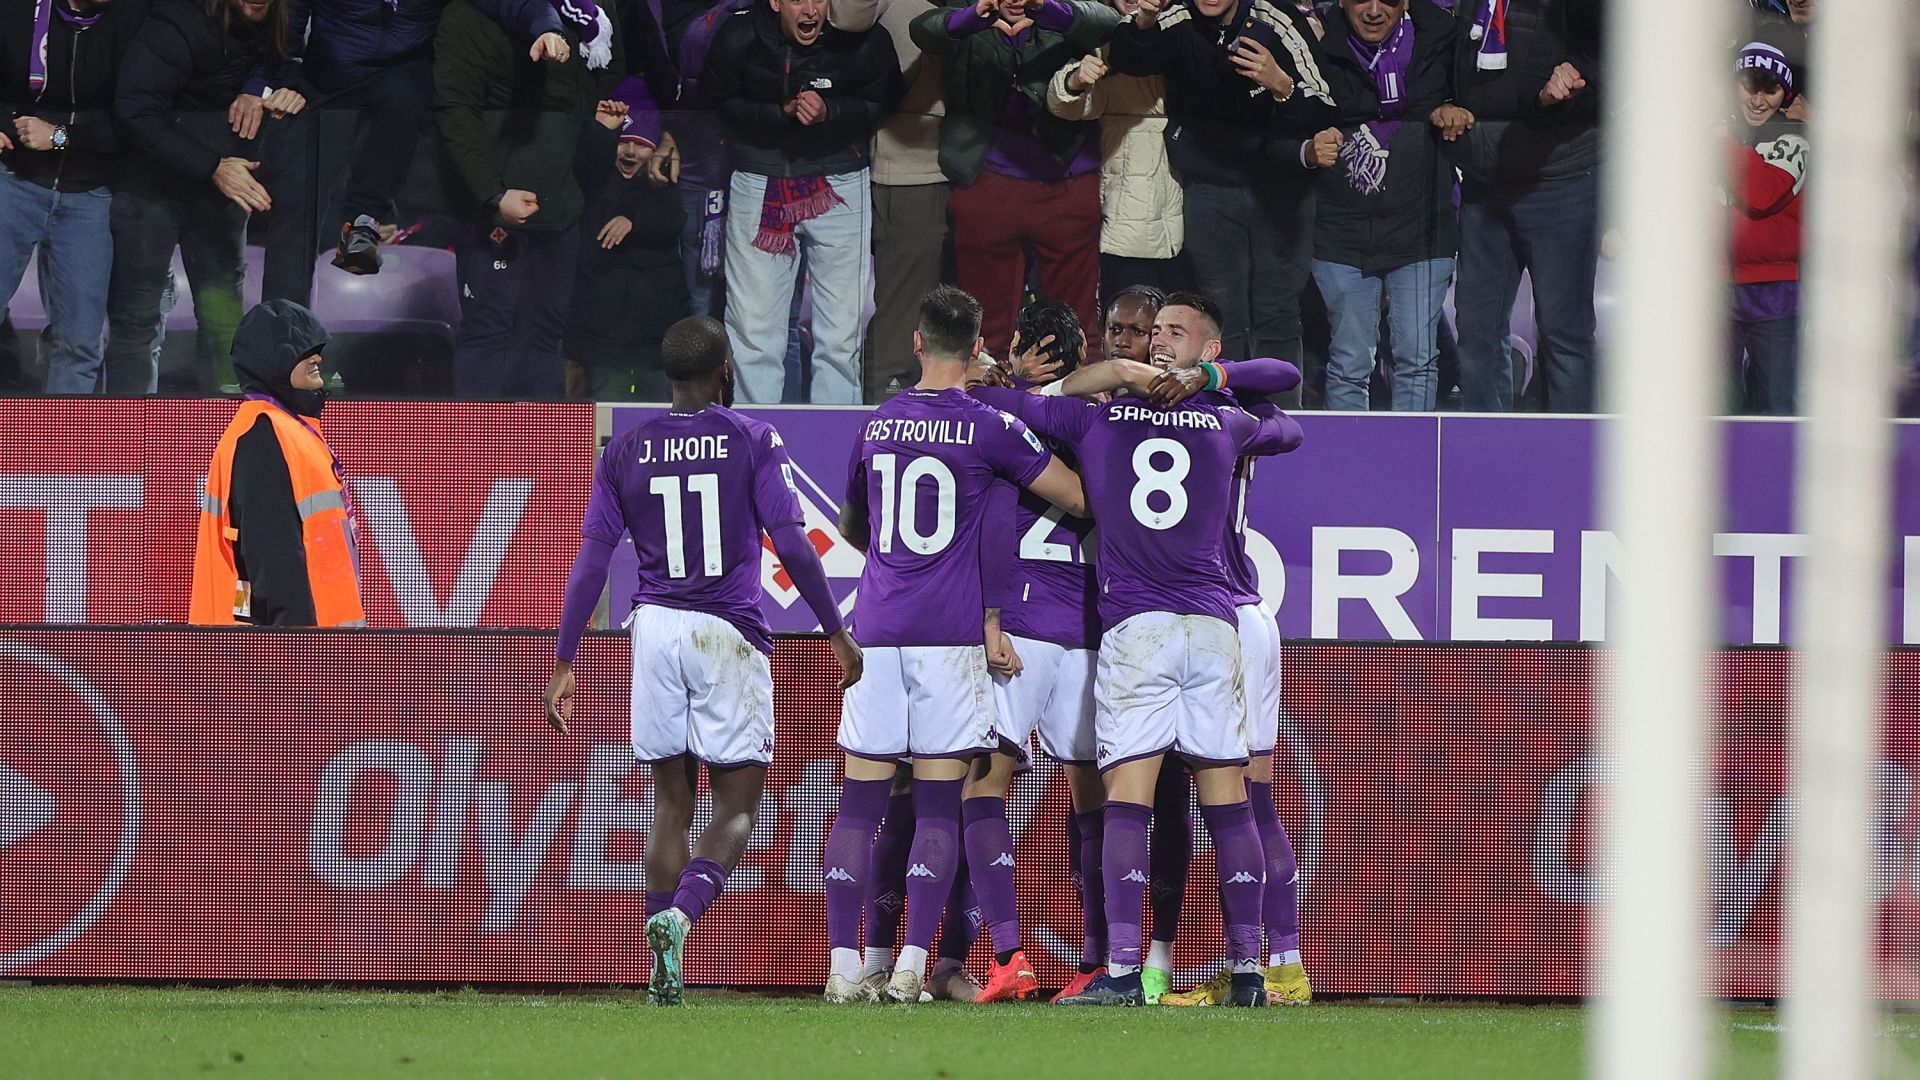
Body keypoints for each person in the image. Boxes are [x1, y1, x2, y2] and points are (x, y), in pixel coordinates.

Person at [972, 291, 1304, 1008]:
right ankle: (1251, 970)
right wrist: (1210, 382)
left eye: (1171, 334)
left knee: (1128, 799)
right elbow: (1290, 422)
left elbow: (1009, 405)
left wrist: (1093, 376)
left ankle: (1123, 971)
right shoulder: (1226, 421)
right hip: (1214, 625)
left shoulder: (1097, 420)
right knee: (1229, 800)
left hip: (1137, 628)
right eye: (1153, 334)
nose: (1155, 342)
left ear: (1203, 348)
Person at [543, 315, 861, 1006]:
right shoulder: (752, 437)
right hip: (726, 630)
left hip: (654, 628)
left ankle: (661, 958)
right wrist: (835, 629)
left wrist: (565, 659)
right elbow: (792, 542)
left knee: (670, 801)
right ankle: (682, 917)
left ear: (669, 374)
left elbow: (591, 562)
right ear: (725, 371)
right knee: (738, 804)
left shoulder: (626, 448)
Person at [822, 284, 1088, 1004]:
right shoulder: (988, 426)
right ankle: (913, 966)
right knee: (940, 806)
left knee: (859, 805)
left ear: (916, 343)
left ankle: (844, 967)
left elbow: (851, 527)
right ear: (976, 349)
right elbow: (1077, 495)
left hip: (878, 628)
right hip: (949, 636)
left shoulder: (877, 425)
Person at [251, 0, 590, 303]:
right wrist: (285, 81)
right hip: (326, 81)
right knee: (296, 207)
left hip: (402, 82)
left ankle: (362, 225)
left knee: (406, 92)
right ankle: (281, 333)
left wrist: (546, 27)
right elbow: (286, 25)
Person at [1108, 0, 1334, 400]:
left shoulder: (1276, 18)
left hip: (1282, 190)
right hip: (1208, 189)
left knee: (1278, 313)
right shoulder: (1178, 19)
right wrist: (1144, 19)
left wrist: (1282, 85)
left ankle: (1282, 419)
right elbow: (1130, 57)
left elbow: (1325, 108)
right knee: (1222, 316)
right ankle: (1226, 417)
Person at [699, 0, 902, 404]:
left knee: (841, 334)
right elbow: (713, 100)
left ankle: (834, 433)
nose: (810, 10)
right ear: (775, 2)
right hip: (759, 178)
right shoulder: (739, 35)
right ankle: (755, 433)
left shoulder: (863, 38)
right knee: (754, 331)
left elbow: (887, 98)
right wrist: (779, 112)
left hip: (841, 179)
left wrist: (832, 110)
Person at [106, 0, 307, 395]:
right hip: (152, 188)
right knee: (135, 322)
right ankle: (128, 430)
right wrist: (212, 166)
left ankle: (223, 428)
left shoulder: (275, 22)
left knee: (223, 323)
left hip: (222, 187)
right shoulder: (178, 22)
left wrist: (277, 90)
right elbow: (135, 112)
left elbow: (289, 65)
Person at [435, 0, 627, 397]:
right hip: (493, 207)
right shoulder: (467, 13)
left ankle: (537, 438)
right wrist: (493, 194)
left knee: (546, 334)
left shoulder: (589, 14)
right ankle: (479, 438)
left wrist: (599, 134)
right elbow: (456, 112)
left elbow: (604, 83)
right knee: (487, 330)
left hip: (561, 205)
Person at [911, 0, 1120, 360]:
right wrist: (971, 17)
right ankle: (986, 392)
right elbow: (924, 30)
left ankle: (1077, 393)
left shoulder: (1062, 11)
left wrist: (1045, 9)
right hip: (987, 182)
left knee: (1077, 326)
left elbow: (1106, 22)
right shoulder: (970, 15)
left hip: (1066, 179)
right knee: (985, 330)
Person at [1447, 0, 1603, 412]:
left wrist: (1556, 96)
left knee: (1564, 334)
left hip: (1561, 177)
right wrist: (1438, 100)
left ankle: (1571, 447)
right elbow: (1441, 50)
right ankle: (1487, 443)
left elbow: (1612, 62)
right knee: (1477, 329)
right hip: (1484, 180)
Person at [1305, 0, 1460, 411]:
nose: (1374, 10)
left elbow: (1473, 96)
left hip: (1422, 231)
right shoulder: (1314, 39)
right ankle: (1351, 451)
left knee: (1417, 362)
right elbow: (1292, 118)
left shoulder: (1442, 37)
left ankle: (1412, 451)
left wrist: (1454, 109)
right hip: (1341, 233)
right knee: (1349, 363)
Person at [0, 0, 148, 394]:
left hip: (91, 194)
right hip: (14, 181)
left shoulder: (135, 18)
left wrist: (62, 136)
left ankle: (64, 434)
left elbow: (138, 115)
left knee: (80, 344)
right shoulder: (17, 10)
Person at [189, 300, 364, 627]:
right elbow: (272, 559)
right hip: (291, 645)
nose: (317, 358)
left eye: (317, 349)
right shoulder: (264, 436)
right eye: (302, 349)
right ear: (270, 360)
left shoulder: (287, 428)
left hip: (315, 641)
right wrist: (290, 644)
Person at [834, 0, 950, 403]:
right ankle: (888, 405)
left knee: (958, 311)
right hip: (908, 165)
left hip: (985, 161)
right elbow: (843, 16)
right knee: (904, 308)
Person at [1044, 0, 1187, 316]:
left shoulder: (1186, 31)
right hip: (1132, 212)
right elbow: (1067, 104)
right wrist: (1074, 80)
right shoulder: (1104, 39)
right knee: (1132, 320)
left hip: (1196, 206)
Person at [565, 97, 689, 400]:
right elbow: (590, 157)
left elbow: (672, 221)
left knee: (660, 418)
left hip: (655, 342)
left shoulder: (662, 181)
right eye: (624, 142)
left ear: (655, 150)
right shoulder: (593, 179)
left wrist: (634, 222)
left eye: (641, 144)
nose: (631, 152)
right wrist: (604, 133)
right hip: (601, 343)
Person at [1726, 42, 1806, 416]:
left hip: (1775, 292)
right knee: (1713, 411)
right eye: (1749, 87)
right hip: (1711, 288)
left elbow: (1759, 194)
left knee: (1776, 409)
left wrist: (1721, 142)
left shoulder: (1796, 138)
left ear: (1785, 93)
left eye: (1770, 89)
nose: (1758, 101)